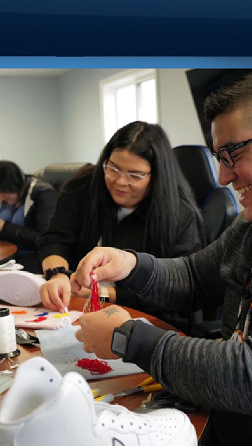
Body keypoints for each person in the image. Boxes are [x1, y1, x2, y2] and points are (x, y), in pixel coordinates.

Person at [72, 70, 252, 446]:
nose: (223, 176)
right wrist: (130, 264)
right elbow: (195, 277)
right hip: (224, 425)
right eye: (219, 157)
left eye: (232, 153)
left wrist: (126, 338)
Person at [36, 121, 204, 329]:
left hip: (149, 321)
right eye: (113, 168)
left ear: (157, 175)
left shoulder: (180, 214)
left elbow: (177, 290)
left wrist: (102, 293)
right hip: (77, 309)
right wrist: (58, 275)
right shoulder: (82, 187)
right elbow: (55, 239)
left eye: (135, 175)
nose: (120, 181)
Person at [0, 160, 58, 273]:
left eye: (5, 192)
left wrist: (3, 226)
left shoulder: (43, 194)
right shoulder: (0, 198)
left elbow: (43, 237)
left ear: (17, 186)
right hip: (3, 253)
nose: (1, 197)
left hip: (32, 256)